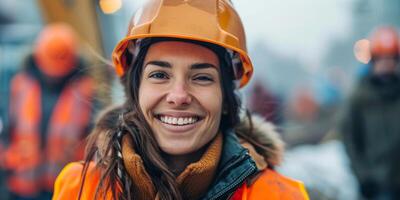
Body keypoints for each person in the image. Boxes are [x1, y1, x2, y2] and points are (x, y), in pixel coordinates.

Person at [53, 1, 309, 199]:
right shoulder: (80, 189)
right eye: (160, 74)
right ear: (136, 89)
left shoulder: (277, 195)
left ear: (226, 98)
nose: (178, 96)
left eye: (201, 78)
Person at [3, 23, 96, 200]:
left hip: (67, 184)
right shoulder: (19, 85)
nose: (54, 73)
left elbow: (93, 137)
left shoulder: (86, 90)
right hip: (23, 183)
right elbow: (6, 127)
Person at [339, 26, 400, 200]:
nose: (386, 65)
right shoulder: (359, 97)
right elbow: (351, 141)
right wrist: (364, 177)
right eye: (382, 60)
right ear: (373, 61)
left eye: (391, 59)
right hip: (377, 185)